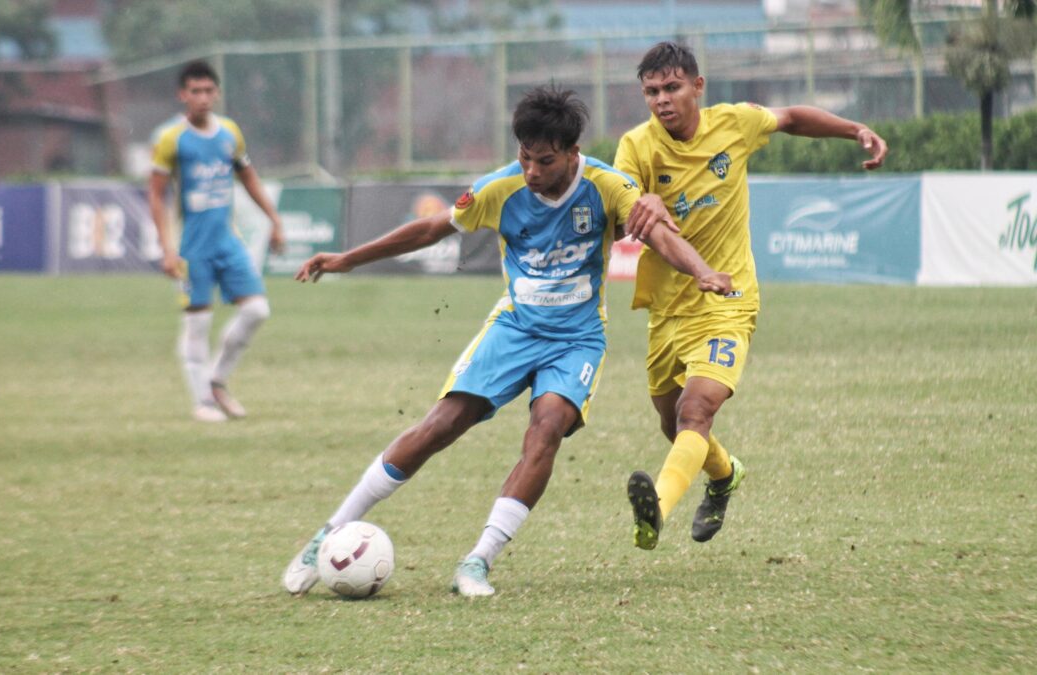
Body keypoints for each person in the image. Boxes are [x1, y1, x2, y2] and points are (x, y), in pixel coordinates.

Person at [282, 85, 732, 598]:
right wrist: (347, 259)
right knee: (440, 425)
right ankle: (326, 536)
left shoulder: (607, 186)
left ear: (572, 153)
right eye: (524, 157)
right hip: (513, 328)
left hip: (577, 339)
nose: (532, 171)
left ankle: (477, 562)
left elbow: (659, 234)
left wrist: (702, 271)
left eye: (545, 161)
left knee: (546, 431)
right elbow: (430, 229)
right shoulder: (499, 188)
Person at [615, 42, 888, 550]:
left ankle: (656, 512)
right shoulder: (636, 146)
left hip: (728, 299)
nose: (662, 100)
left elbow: (791, 117)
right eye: (651, 92)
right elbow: (624, 203)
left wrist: (854, 129)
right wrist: (641, 199)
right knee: (672, 424)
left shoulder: (734, 124)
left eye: (672, 87)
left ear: (698, 87)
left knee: (696, 412)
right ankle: (724, 475)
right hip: (668, 310)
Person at [148, 60, 285, 423]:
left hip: (228, 241)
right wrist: (166, 249)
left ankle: (215, 380)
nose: (203, 98)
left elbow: (249, 177)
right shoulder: (171, 139)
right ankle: (203, 403)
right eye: (196, 91)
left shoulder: (229, 133)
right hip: (191, 248)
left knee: (257, 310)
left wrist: (274, 220)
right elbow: (156, 195)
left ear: (218, 93)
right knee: (197, 325)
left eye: (209, 91)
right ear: (183, 95)